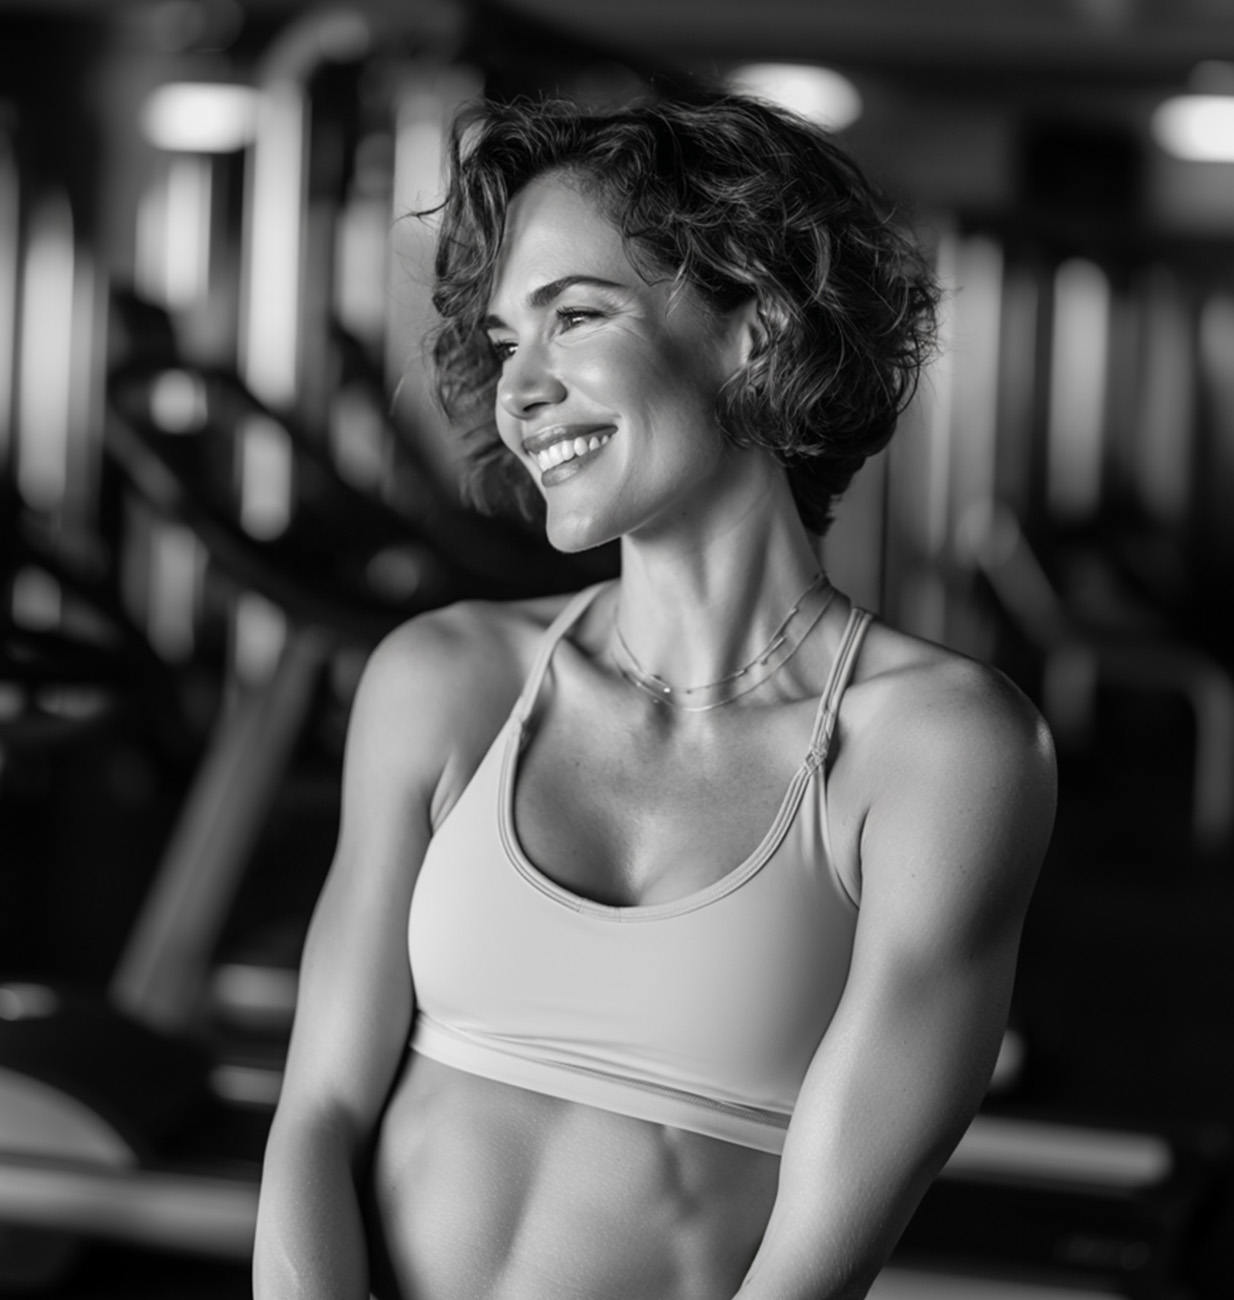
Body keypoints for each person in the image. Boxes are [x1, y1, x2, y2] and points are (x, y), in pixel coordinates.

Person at [252, 89, 1056, 1300]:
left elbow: (817, 1259)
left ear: (757, 331)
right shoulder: (445, 679)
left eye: (574, 315)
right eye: (505, 341)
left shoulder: (939, 751)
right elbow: (316, 1108)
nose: (520, 389)